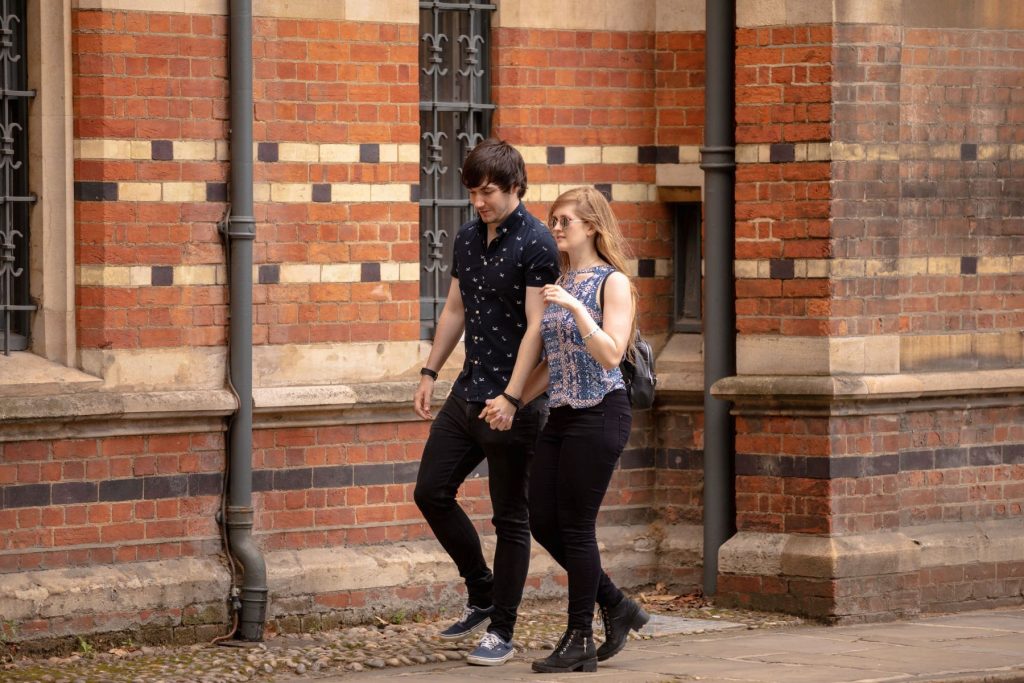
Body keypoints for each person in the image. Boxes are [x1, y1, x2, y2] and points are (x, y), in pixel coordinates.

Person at [481, 186, 649, 673]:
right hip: (562, 412)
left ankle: (580, 638)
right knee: (542, 520)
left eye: (565, 222)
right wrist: (512, 400)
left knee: (575, 526)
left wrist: (576, 310)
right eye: (553, 220)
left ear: (592, 226)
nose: (555, 229)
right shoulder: (562, 277)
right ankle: (615, 604)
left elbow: (612, 353)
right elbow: (555, 364)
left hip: (601, 412)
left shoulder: (610, 283)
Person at [412, 138, 559, 666]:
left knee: (510, 518)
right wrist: (431, 371)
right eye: (473, 191)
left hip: (512, 402)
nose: (479, 201)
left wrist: (513, 398)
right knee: (430, 491)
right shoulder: (469, 237)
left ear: (515, 186)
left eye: (489, 191)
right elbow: (455, 309)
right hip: (467, 390)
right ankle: (481, 589)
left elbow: (537, 330)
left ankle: (502, 630)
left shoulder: (538, 242)